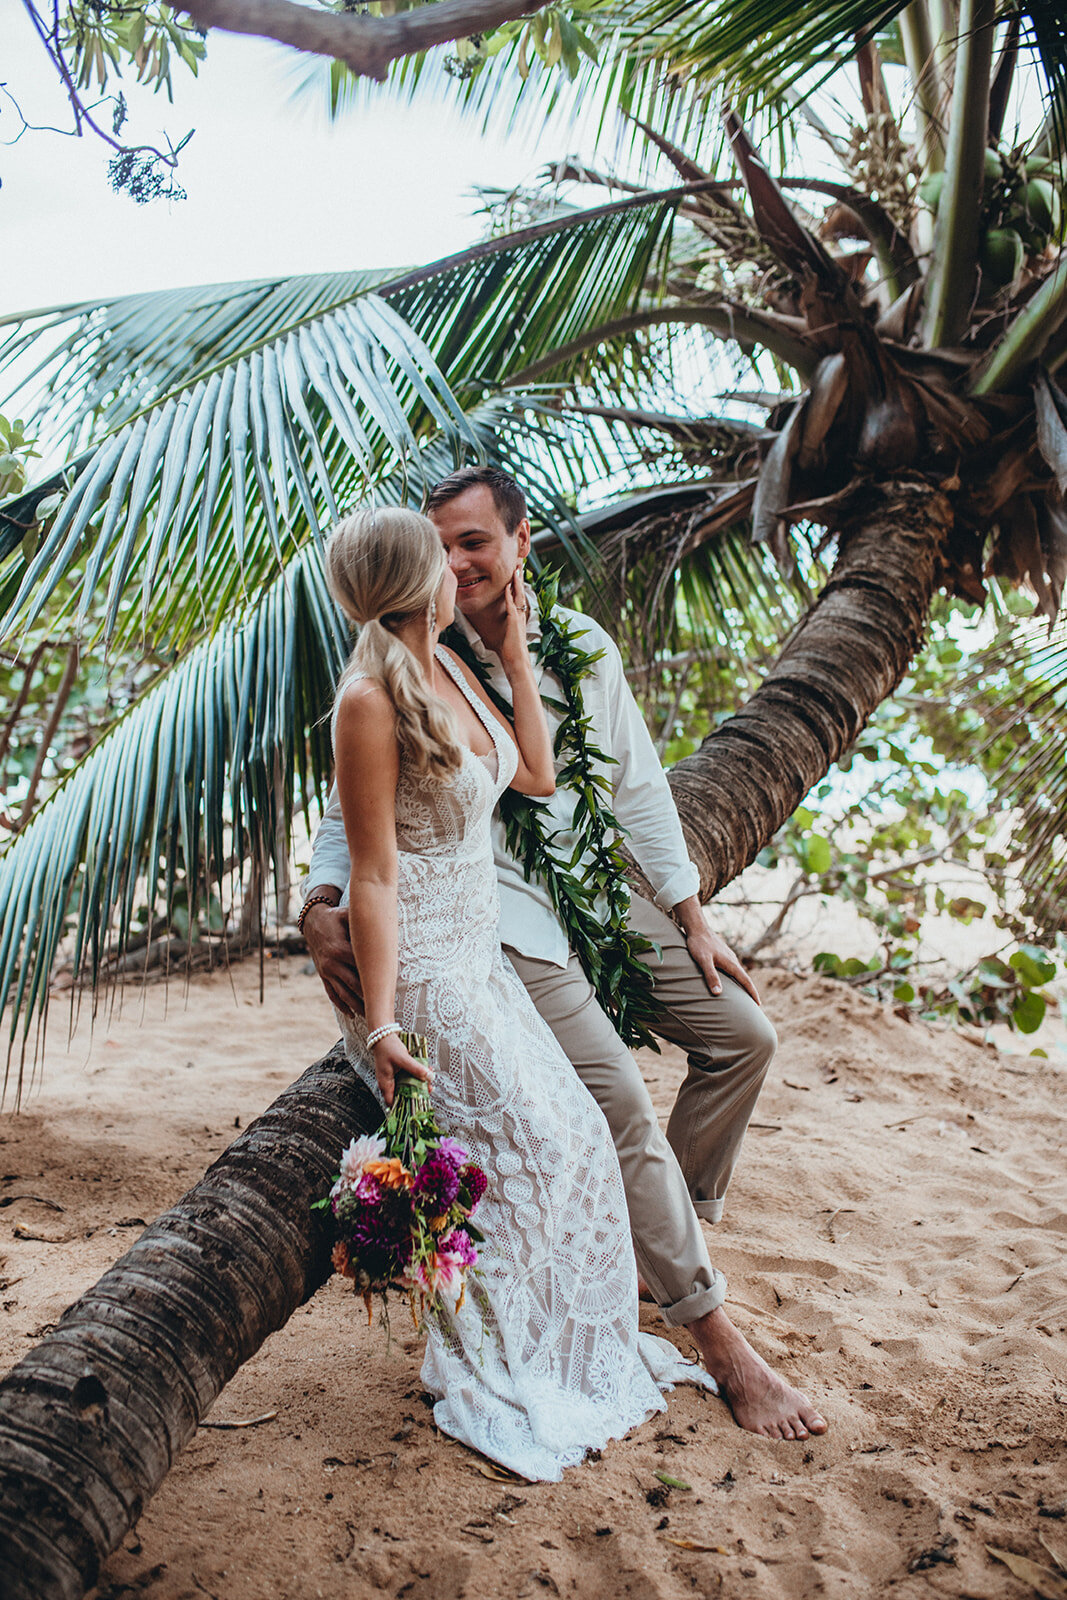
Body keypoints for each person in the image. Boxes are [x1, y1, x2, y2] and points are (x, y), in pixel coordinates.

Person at [305, 469, 827, 1442]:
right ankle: (709, 1323)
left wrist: (689, 912)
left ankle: (662, 1236)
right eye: (437, 547)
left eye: (471, 542)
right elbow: (357, 830)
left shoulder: (564, 647)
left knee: (743, 1037)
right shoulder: (398, 673)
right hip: (498, 926)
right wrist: (316, 903)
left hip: (595, 897)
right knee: (612, 1107)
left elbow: (632, 786)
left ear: (518, 543)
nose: (455, 563)